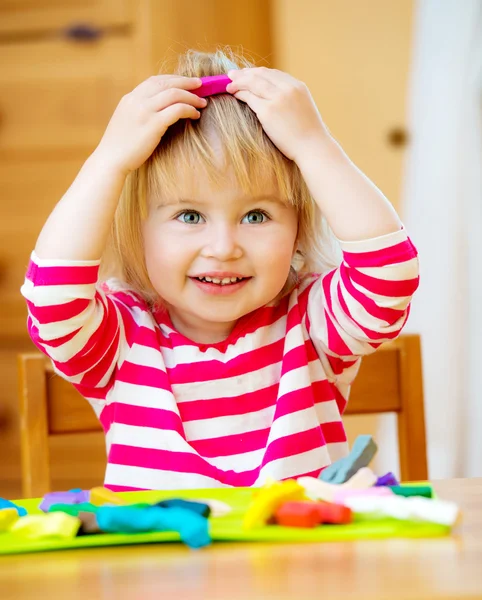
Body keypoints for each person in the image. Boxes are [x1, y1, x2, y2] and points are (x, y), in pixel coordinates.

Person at [21, 49, 419, 491]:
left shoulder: (312, 322)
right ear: (139, 229)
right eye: (189, 216)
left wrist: (314, 146)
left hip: (304, 558)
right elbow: (52, 301)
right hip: (161, 558)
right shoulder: (120, 340)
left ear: (298, 228)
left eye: (256, 216)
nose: (223, 248)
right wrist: (108, 161)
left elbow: (389, 275)